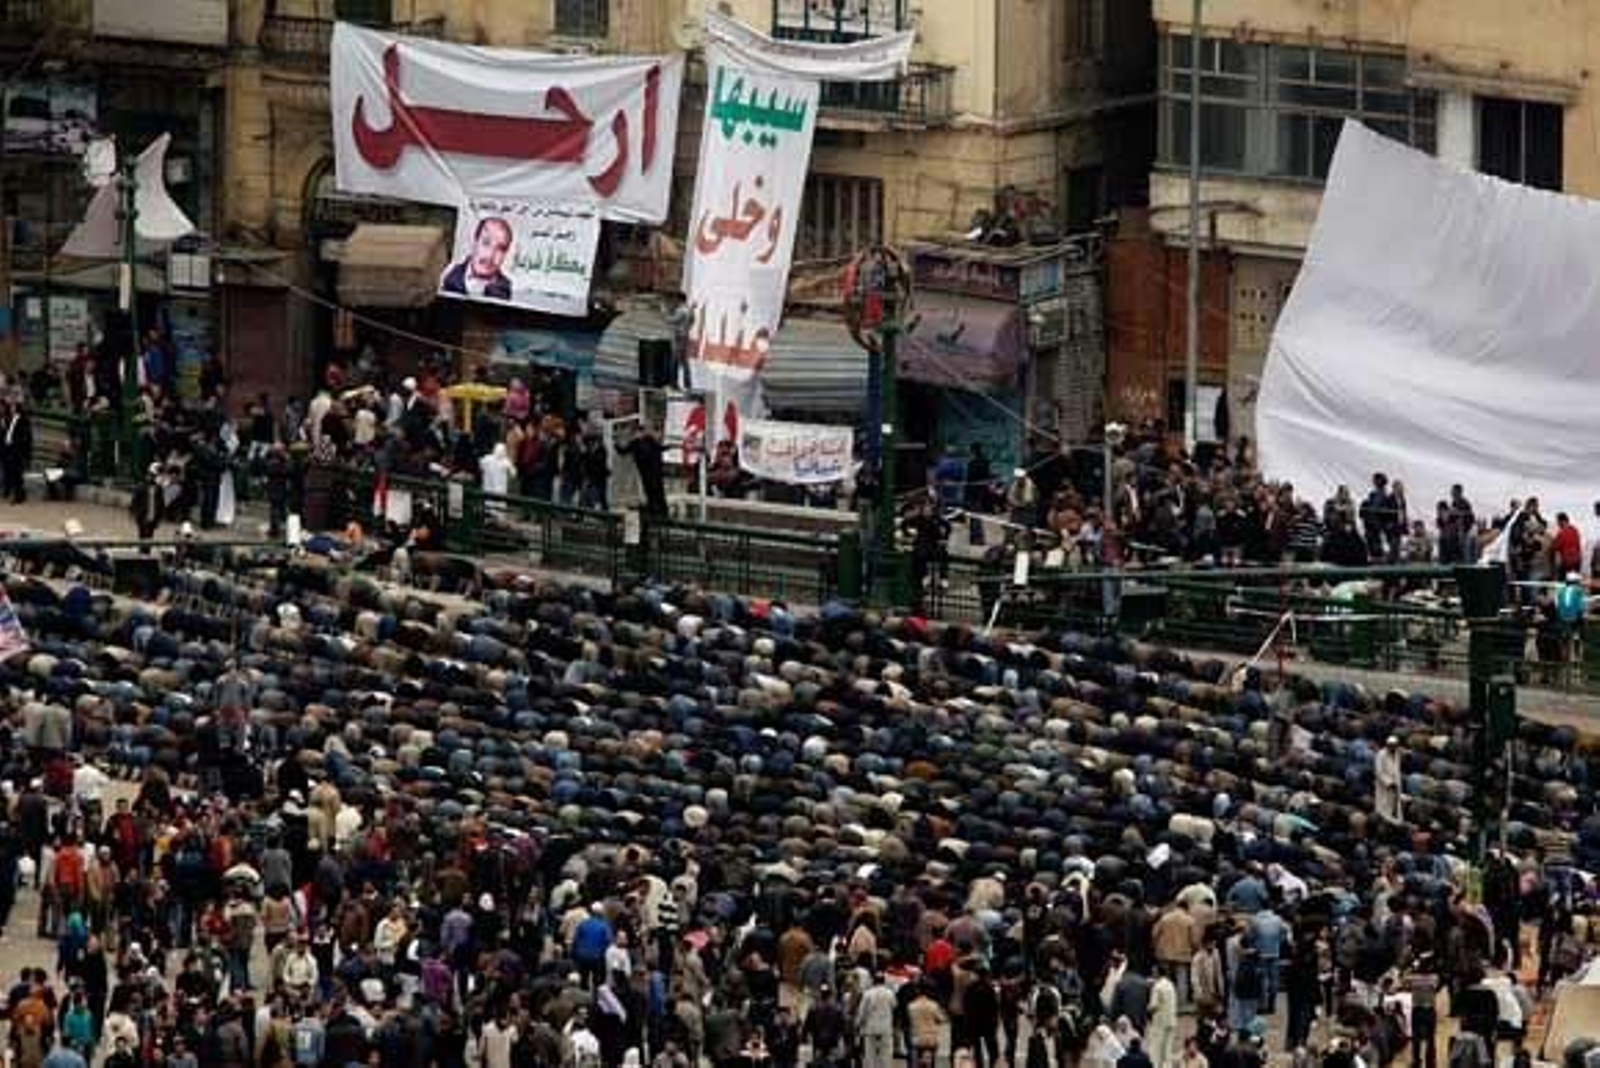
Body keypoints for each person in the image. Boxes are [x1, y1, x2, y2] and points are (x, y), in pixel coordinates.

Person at [440, 216, 514, 301]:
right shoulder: (448, 273)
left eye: (500, 248)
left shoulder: (505, 289)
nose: (490, 255)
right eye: (486, 243)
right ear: (475, 242)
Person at [2, 398, 32, 503]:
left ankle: (19, 495)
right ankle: (20, 494)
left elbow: (26, 436)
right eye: (11, 407)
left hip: (17, 449)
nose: (11, 408)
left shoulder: (23, 419)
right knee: (13, 473)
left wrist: (16, 442)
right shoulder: (10, 418)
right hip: (9, 449)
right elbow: (8, 432)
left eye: (13, 407)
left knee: (17, 473)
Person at [1375, 734, 1404, 824]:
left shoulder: (1398, 753)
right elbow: (1379, 772)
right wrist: (1389, 783)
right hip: (1386, 785)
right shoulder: (1381, 754)